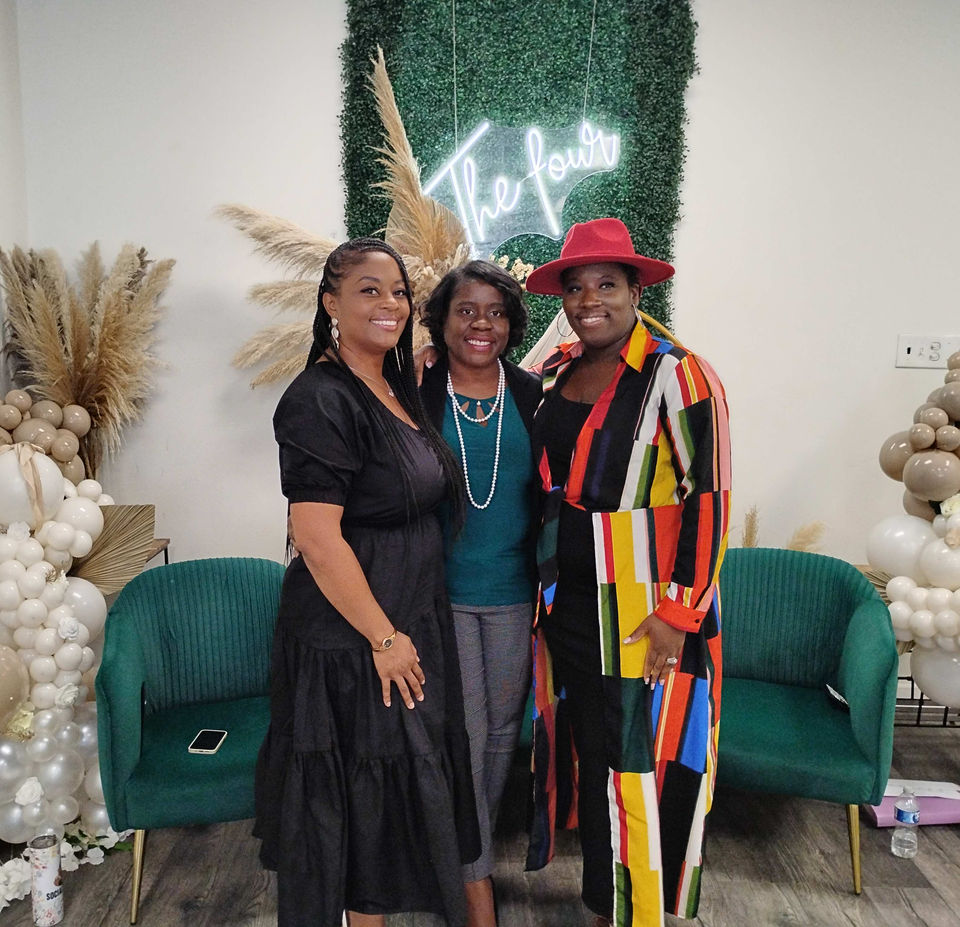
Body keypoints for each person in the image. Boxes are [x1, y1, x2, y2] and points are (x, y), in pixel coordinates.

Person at [254, 237, 480, 927]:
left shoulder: (393, 384)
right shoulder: (318, 398)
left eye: (399, 291)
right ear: (330, 303)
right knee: (355, 809)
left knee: (379, 818)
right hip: (353, 641)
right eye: (368, 289)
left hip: (403, 622)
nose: (390, 303)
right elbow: (318, 540)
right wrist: (383, 636)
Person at [522, 218, 731, 927]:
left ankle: (638, 911)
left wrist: (680, 614)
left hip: (644, 614)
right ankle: (601, 897)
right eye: (576, 287)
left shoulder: (680, 373)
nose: (589, 300)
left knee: (633, 764)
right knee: (591, 757)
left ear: (635, 289)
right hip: (566, 605)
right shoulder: (554, 370)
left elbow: (710, 498)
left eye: (606, 284)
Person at [419, 260, 541, 927]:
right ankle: (472, 882)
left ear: (511, 325)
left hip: (516, 592)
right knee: (460, 733)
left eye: (495, 312)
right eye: (466, 309)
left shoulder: (530, 393)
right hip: (442, 592)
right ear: (441, 319)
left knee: (500, 733)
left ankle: (474, 850)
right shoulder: (414, 390)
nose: (481, 324)